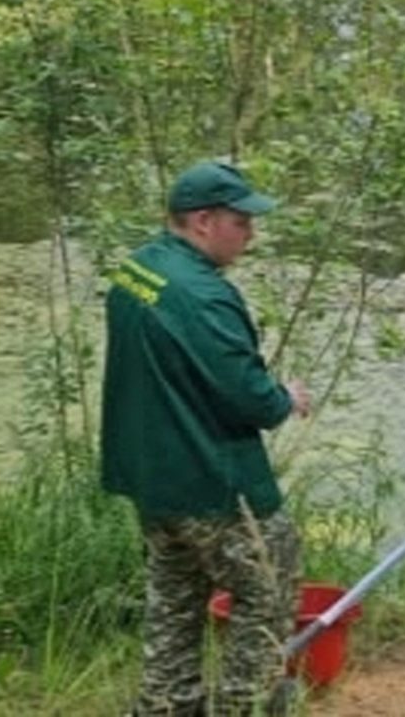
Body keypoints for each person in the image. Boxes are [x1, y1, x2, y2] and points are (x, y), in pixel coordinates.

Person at [101, 160, 312, 717]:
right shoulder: (206, 296)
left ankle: (166, 704)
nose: (251, 234)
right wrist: (284, 397)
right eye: (240, 222)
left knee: (175, 593)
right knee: (269, 585)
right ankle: (246, 705)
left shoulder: (136, 270)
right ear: (202, 221)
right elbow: (249, 398)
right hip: (211, 478)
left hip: (152, 478)